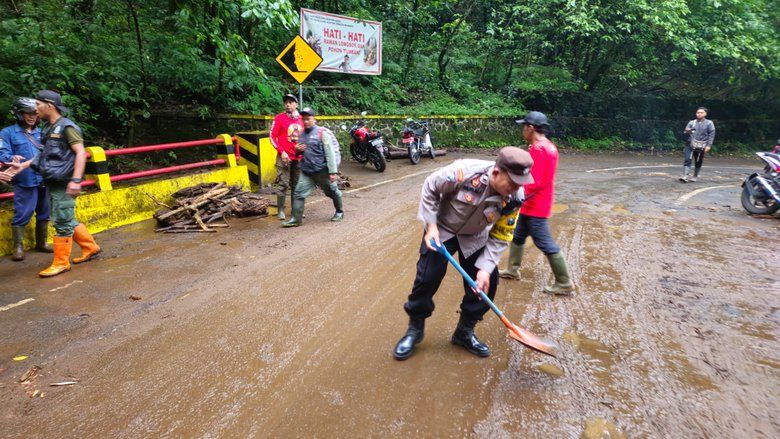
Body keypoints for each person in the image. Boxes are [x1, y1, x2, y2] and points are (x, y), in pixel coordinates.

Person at [392, 147, 534, 361]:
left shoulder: (515, 198)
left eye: (520, 184)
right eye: (512, 183)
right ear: (496, 172)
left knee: (488, 283)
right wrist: (430, 226)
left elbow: (502, 235)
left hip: (476, 236)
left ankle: (464, 332)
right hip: (443, 230)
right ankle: (415, 329)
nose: (515, 189)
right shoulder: (464, 172)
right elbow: (431, 186)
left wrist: (485, 269)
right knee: (427, 278)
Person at [2, 90, 101, 277]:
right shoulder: (47, 128)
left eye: (38, 105)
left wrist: (76, 180)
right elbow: (41, 155)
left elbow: (80, 153)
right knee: (67, 218)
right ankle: (91, 248)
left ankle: (61, 262)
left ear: (50, 106)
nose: (35, 109)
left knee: (62, 221)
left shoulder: (67, 127)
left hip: (64, 181)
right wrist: (20, 167)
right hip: (52, 181)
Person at [498, 111, 574, 296]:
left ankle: (564, 282)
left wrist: (514, 195)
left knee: (545, 243)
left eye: (524, 126)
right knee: (518, 235)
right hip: (534, 204)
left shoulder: (538, 149)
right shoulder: (549, 146)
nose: (523, 130)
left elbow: (534, 181)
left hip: (534, 206)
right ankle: (512, 270)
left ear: (531, 128)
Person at [0, 97, 52, 261]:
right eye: (27, 113)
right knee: (23, 213)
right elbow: (3, 154)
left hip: (44, 178)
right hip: (24, 179)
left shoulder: (42, 131)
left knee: (45, 212)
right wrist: (10, 157)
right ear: (19, 114)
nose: (31, 117)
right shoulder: (7, 133)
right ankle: (18, 247)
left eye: (34, 114)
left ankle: (42, 243)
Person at [281, 107, 343, 227]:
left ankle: (339, 212)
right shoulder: (302, 134)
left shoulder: (322, 133)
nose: (305, 122)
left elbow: (329, 153)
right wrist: (297, 150)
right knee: (298, 194)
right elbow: (299, 152)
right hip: (307, 172)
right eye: (303, 119)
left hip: (322, 171)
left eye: (308, 119)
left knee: (333, 192)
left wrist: (333, 172)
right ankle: (296, 219)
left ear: (314, 119)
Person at [269, 93, 304, 220]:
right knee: (283, 184)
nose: (288, 104)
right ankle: (280, 210)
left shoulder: (302, 119)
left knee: (297, 185)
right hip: (284, 157)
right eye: (286, 102)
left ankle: (296, 210)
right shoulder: (279, 118)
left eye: (291, 102)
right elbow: (272, 137)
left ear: (296, 104)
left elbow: (307, 137)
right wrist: (281, 151)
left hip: (299, 158)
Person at [680, 107, 715, 182]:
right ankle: (685, 176)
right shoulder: (692, 122)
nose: (699, 114)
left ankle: (695, 176)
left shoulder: (709, 123)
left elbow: (711, 135)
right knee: (687, 159)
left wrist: (709, 145)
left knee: (698, 160)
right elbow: (685, 131)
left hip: (701, 145)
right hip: (690, 144)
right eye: (698, 112)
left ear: (705, 114)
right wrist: (688, 131)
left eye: (701, 112)